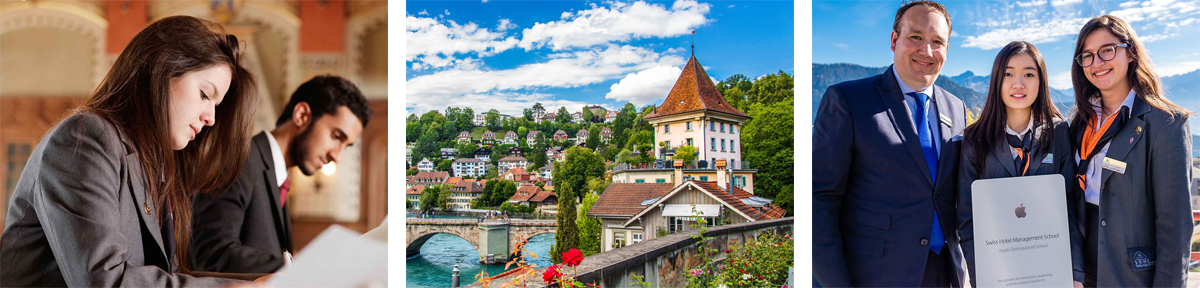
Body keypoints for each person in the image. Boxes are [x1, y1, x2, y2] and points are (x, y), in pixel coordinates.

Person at [0, 16, 259, 287]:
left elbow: (165, 278)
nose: (211, 119)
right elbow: (104, 280)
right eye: (205, 95)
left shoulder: (154, 166)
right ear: (162, 70)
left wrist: (263, 282)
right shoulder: (85, 137)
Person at [812, 1, 968, 286]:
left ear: (947, 49)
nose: (927, 51)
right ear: (895, 39)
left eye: (937, 42)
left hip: (944, 272)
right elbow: (819, 199)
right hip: (876, 275)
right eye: (916, 37)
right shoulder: (848, 100)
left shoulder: (956, 107)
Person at [190, 75, 371, 273]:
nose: (337, 155)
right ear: (302, 115)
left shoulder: (278, 178)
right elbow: (211, 253)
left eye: (347, 146)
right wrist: (300, 269)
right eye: (336, 136)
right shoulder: (239, 159)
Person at [1067, 15, 1193, 287]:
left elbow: (1175, 229)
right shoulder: (1079, 122)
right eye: (1087, 56)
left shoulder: (1164, 124)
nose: (1097, 63)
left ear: (1131, 52)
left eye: (1107, 51)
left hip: (1129, 275)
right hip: (1078, 271)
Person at [955, 41, 1084, 287]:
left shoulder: (1058, 134)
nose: (1018, 83)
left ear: (1041, 81)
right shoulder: (974, 139)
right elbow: (967, 219)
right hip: (998, 272)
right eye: (1008, 73)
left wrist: (1075, 274)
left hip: (1050, 270)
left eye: (1028, 74)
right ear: (996, 80)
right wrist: (981, 278)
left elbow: (1069, 208)